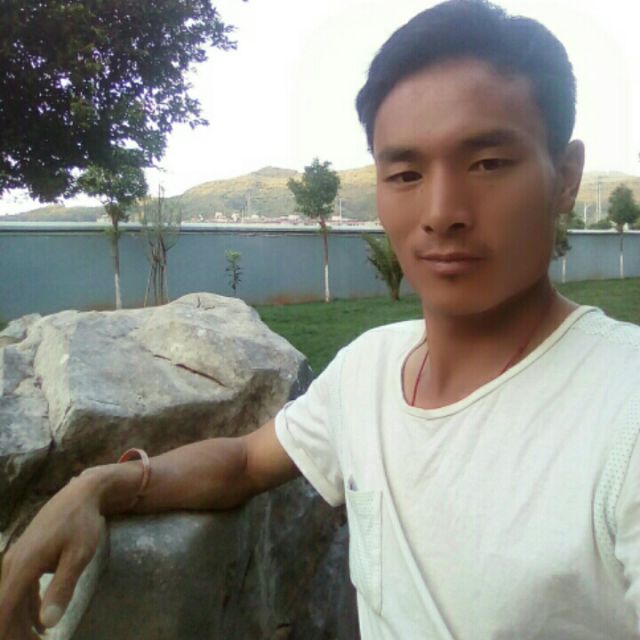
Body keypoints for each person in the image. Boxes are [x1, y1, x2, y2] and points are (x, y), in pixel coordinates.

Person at [1, 0, 640, 638]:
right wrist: (98, 487)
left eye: (488, 163)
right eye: (406, 173)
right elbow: (244, 463)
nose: (441, 211)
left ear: (566, 177)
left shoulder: (622, 414)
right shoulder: (370, 370)